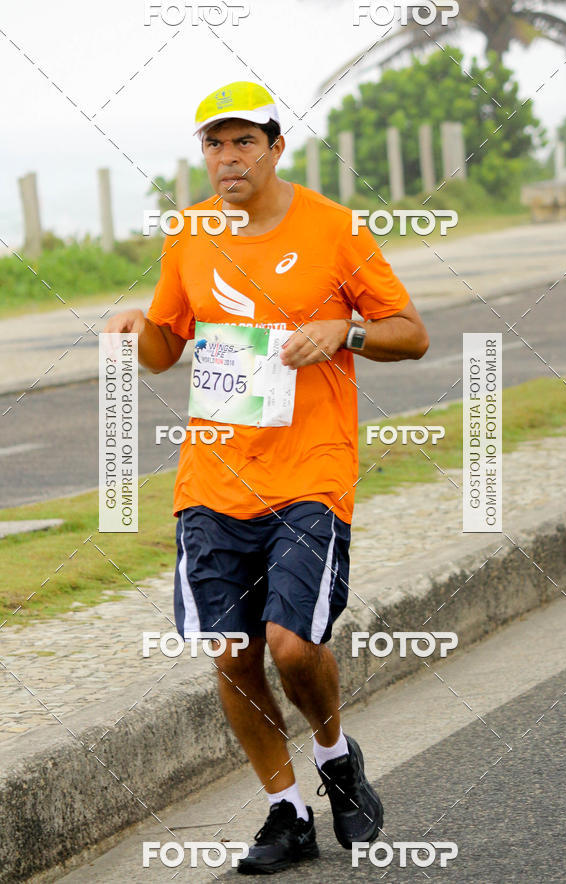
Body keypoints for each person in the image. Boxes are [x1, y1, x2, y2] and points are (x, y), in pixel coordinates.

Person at [104, 80, 429, 875]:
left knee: (290, 644)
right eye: (214, 144)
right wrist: (133, 331)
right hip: (211, 481)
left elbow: (411, 334)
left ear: (276, 147)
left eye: (243, 141)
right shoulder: (189, 234)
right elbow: (165, 349)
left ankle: (335, 755)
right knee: (231, 655)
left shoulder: (334, 229)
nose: (228, 158)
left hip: (308, 474)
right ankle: (285, 813)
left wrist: (344, 328)